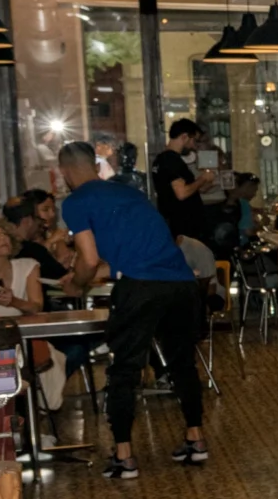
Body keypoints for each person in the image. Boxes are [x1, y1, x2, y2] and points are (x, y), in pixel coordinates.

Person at [56, 140, 206, 478]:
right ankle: (196, 438)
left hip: (139, 290)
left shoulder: (76, 201)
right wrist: (88, 273)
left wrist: (77, 283)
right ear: (96, 166)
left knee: (125, 368)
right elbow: (139, 256)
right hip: (181, 284)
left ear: (64, 172)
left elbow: (90, 259)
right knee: (182, 363)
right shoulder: (132, 194)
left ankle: (124, 455)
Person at [0, 218, 64, 415]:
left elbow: (36, 306)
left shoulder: (28, 265)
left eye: (4, 234)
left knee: (26, 359)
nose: (2, 239)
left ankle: (29, 418)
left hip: (24, 339)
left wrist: (13, 301)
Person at [150, 119, 217, 248]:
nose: (193, 146)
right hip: (184, 226)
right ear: (184, 137)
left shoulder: (160, 160)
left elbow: (184, 190)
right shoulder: (172, 160)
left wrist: (206, 182)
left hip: (176, 223)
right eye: (193, 140)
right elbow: (182, 193)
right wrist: (203, 178)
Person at [1, 192, 71, 289]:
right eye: (37, 218)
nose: (40, 223)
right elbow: (62, 277)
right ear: (28, 220)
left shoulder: (1, 248)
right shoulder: (34, 250)